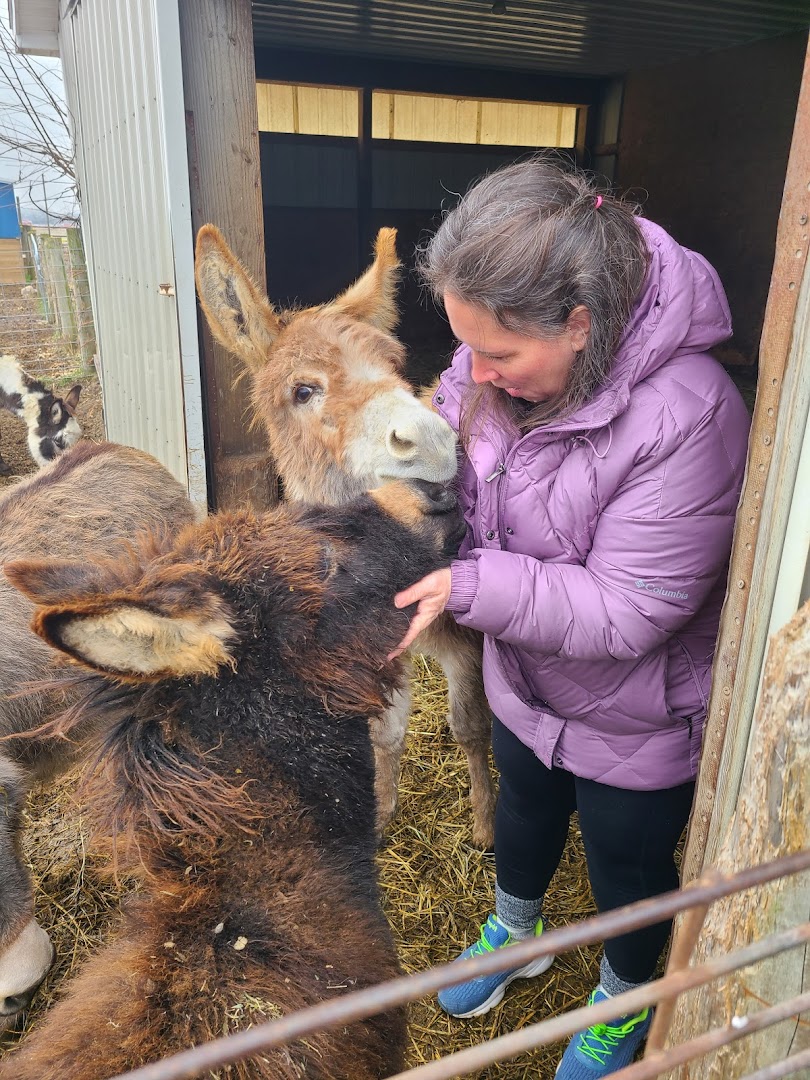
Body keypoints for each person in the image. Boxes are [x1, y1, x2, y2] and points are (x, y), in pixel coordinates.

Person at [389, 157, 751, 1077]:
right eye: (466, 349)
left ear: (580, 322)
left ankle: (627, 998)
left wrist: (468, 588)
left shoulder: (690, 414)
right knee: (521, 811)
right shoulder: (494, 374)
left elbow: (635, 609)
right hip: (525, 679)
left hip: (640, 711)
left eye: (499, 354)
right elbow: (450, 457)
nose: (476, 371)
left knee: (628, 870)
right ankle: (518, 935)